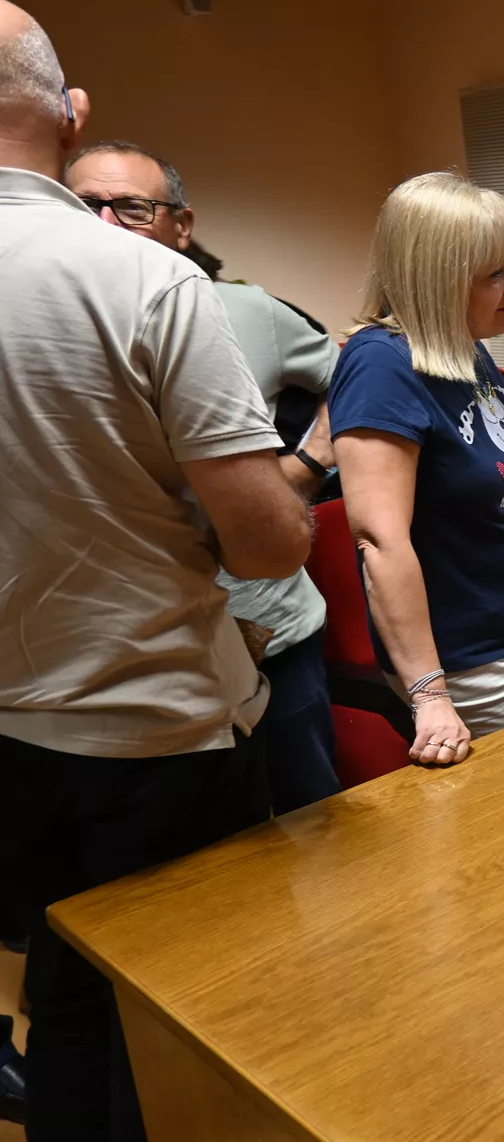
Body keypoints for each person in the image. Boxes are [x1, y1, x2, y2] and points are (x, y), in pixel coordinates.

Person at [0, 0, 310, 1139]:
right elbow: (266, 542)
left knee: (65, 997)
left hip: (10, 733)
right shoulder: (141, 278)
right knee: (205, 1010)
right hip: (155, 728)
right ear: (69, 113)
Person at [65, 140, 344, 814]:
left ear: (181, 226)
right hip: (126, 659)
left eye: (132, 207)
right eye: (83, 206)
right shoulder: (41, 324)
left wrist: (303, 467)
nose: (104, 223)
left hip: (270, 628)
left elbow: (358, 377)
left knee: (315, 833)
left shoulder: (245, 310)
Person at [329, 172, 504, 767]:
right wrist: (429, 694)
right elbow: (379, 542)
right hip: (473, 655)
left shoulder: (464, 345)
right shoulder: (381, 366)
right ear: (436, 278)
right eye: (495, 274)